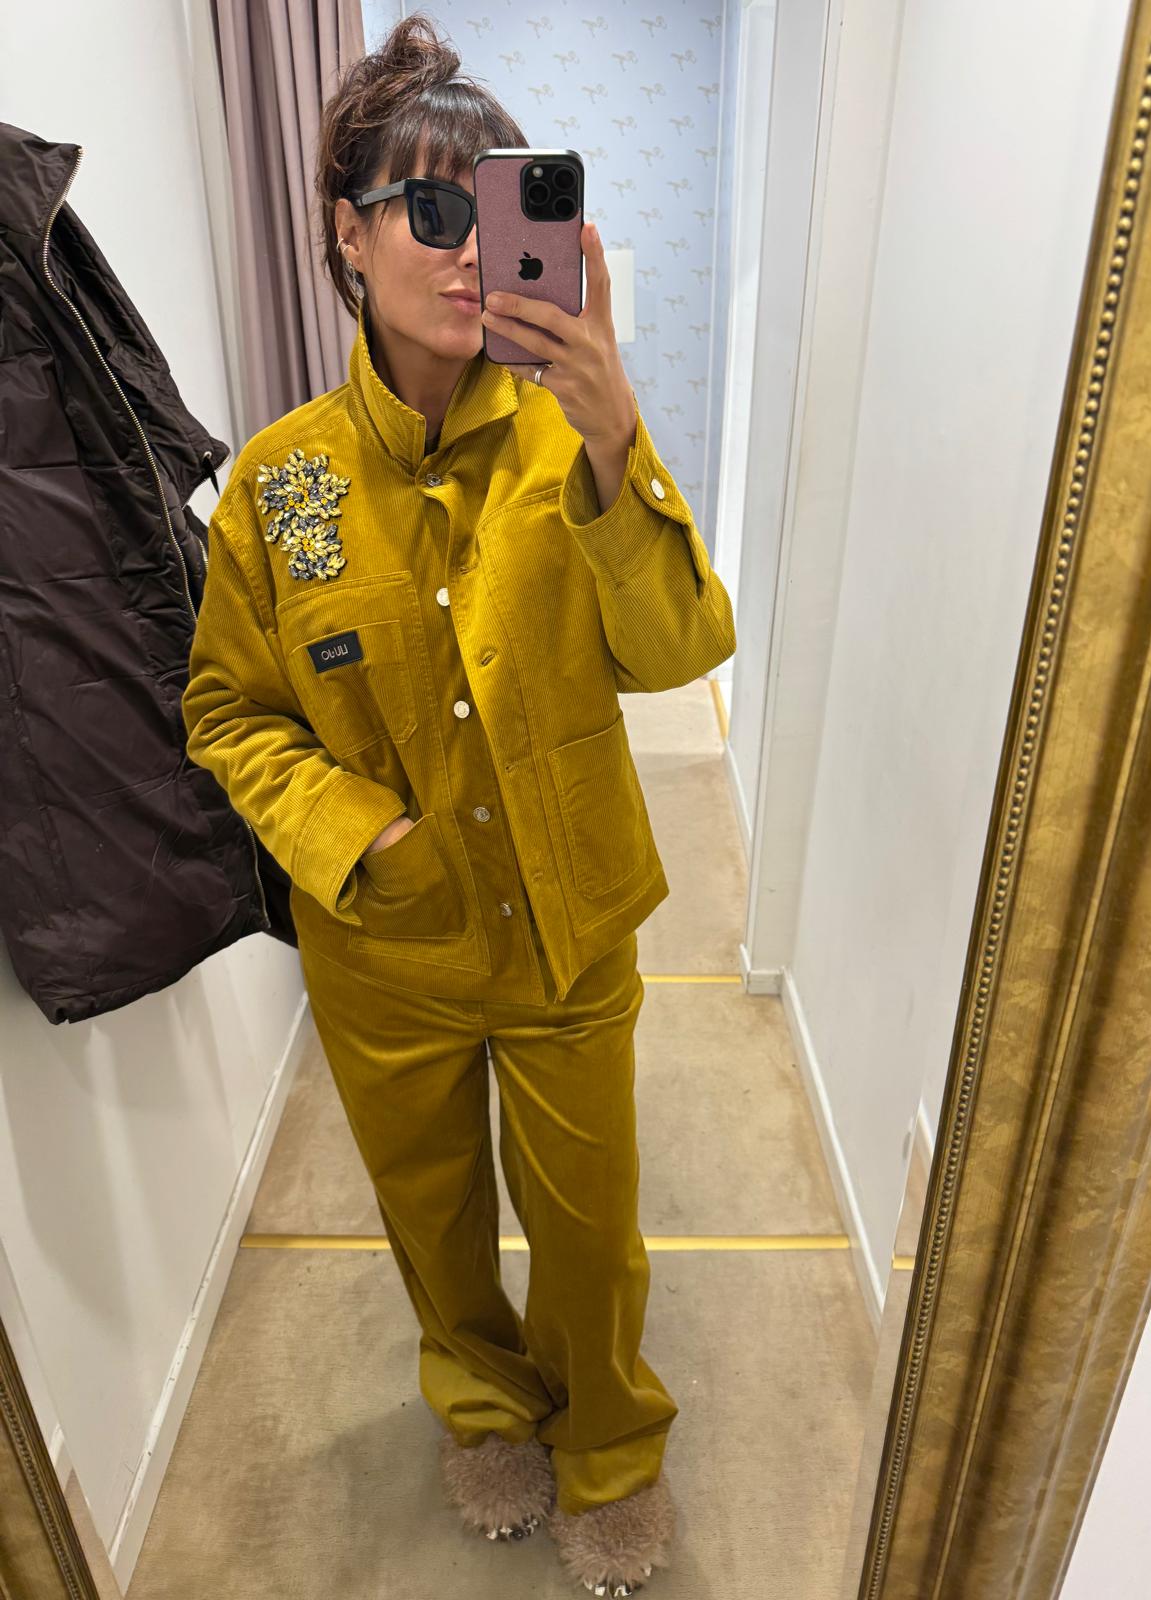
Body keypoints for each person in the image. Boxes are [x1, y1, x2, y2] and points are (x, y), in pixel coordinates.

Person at [181, 12, 736, 1597]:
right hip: (392, 944)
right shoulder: (286, 485)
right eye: (429, 209)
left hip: (569, 928)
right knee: (432, 1219)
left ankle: (610, 1446)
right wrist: (361, 837)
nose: (471, 246)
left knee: (591, 1230)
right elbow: (227, 709)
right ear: (346, 237)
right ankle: (485, 1408)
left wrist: (617, 431)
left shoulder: (573, 433)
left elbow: (676, 650)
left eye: (499, 205)